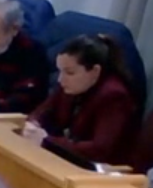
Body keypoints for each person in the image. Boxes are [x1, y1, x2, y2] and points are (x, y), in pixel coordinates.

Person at [22, 34, 139, 167]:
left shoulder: (114, 96)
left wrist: (47, 140)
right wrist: (33, 125)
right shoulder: (70, 85)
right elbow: (43, 110)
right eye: (60, 71)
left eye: (69, 73)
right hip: (67, 159)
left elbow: (98, 149)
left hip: (101, 170)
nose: (60, 79)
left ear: (95, 71)